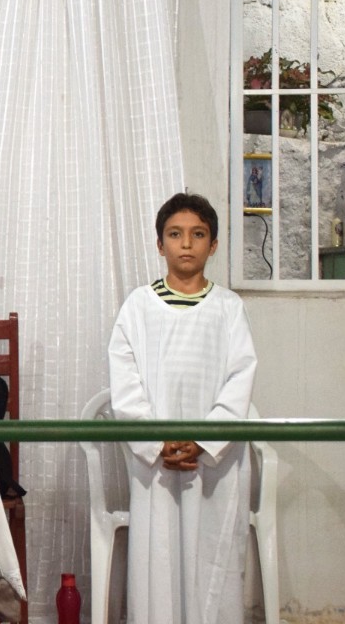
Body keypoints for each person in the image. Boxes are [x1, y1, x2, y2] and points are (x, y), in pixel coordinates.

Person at [107, 192, 258, 624]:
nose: (186, 244)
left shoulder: (229, 308)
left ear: (212, 245)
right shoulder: (139, 306)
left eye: (197, 235)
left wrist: (202, 440)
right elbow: (126, 380)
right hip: (155, 462)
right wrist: (159, 439)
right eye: (175, 234)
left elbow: (240, 380)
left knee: (212, 555)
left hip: (214, 464)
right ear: (160, 244)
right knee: (158, 557)